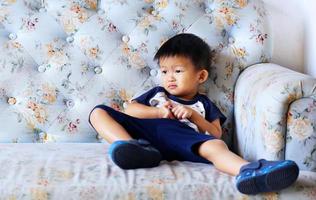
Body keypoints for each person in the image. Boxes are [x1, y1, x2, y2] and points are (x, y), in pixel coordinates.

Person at [88, 33, 299, 195]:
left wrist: (193, 116)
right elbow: (130, 109)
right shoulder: (157, 94)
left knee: (216, 146)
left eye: (178, 71)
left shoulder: (204, 104)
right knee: (98, 112)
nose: (169, 77)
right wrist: (158, 112)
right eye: (164, 71)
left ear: (201, 76)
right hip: (147, 137)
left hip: (185, 139)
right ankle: (130, 147)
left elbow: (215, 133)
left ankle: (250, 171)